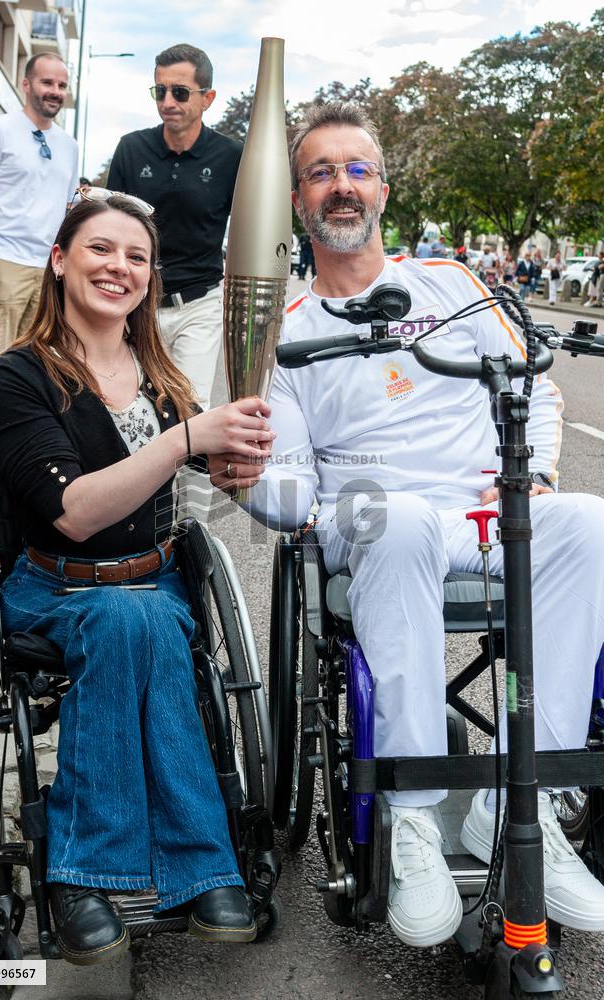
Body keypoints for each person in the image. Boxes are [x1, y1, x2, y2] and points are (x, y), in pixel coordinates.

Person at [236, 100, 604, 949]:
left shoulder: (453, 285)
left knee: (588, 522)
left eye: (356, 169)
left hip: (483, 507)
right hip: (373, 517)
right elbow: (286, 484)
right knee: (395, 519)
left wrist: (537, 477)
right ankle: (408, 822)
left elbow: (537, 392)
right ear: (297, 200)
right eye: (321, 172)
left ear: (383, 190)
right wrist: (263, 490)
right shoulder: (285, 334)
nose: (340, 185)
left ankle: (526, 807)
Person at [0, 193, 274, 965]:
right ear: (59, 259)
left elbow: (217, 469)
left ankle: (92, 875)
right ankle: (180, 868)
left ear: (151, 276)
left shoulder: (159, 373)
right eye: (101, 250)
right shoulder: (18, 377)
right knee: (123, 620)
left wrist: (242, 455)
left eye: (136, 256)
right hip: (53, 586)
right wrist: (185, 440)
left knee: (137, 617)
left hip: (154, 584)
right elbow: (72, 511)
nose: (120, 267)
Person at [108, 43, 242, 412]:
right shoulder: (131, 149)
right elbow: (109, 226)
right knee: (132, 407)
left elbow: (246, 230)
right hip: (136, 302)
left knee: (188, 409)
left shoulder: (231, 157)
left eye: (180, 92)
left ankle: (190, 472)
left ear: (207, 98)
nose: (168, 101)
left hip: (199, 306)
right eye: (160, 91)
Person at [0, 52, 78, 363]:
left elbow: (69, 209)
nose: (55, 91)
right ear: (26, 84)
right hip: (4, 263)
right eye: (47, 82)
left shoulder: (69, 146)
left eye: (62, 84)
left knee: (34, 361)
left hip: (47, 271)